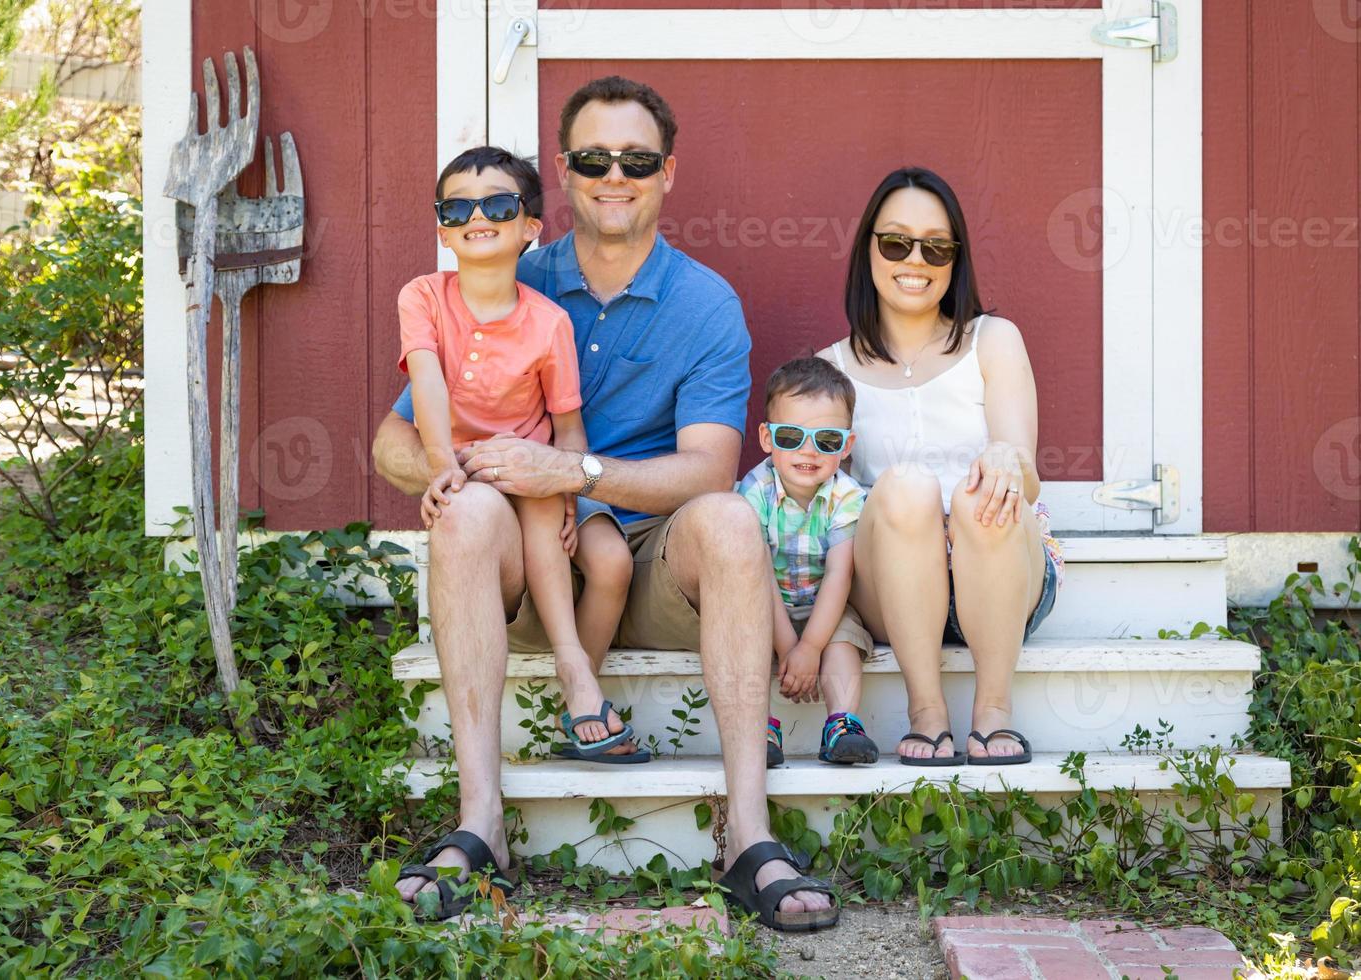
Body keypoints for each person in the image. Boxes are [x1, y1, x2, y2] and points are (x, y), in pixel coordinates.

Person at [373, 76, 839, 929]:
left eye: (636, 158)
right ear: (562, 173)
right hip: (528, 565)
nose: (613, 174)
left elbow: (708, 467)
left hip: (655, 562)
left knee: (733, 518)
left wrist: (572, 474)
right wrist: (453, 473)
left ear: (669, 173)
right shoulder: (505, 266)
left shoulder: (704, 304)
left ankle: (748, 833)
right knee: (469, 511)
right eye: (593, 158)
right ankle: (481, 825)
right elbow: (393, 442)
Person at [397, 145, 640, 766]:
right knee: (483, 497)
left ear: (530, 227)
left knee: (537, 499)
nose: (477, 215)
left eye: (498, 204)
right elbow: (425, 380)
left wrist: (566, 490)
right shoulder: (422, 296)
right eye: (457, 206)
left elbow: (566, 426)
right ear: (442, 227)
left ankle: (574, 669)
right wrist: (439, 462)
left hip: (529, 467)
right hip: (466, 468)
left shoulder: (548, 321)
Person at [819, 166, 1064, 767]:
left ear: (955, 259)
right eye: (897, 241)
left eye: (937, 246)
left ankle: (993, 712)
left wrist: (1008, 455)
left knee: (985, 485)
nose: (916, 260)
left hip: (1002, 571)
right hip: (894, 589)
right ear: (869, 250)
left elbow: (1023, 478)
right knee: (904, 486)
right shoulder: (831, 369)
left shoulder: (993, 339)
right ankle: (927, 712)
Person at [736, 357, 878, 768]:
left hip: (826, 606)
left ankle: (842, 725)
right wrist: (787, 647)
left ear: (847, 445)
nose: (809, 451)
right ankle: (757, 726)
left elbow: (840, 573)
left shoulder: (847, 497)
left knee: (844, 641)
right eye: (792, 436)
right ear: (766, 437)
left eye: (827, 440)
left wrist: (812, 645)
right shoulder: (755, 490)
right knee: (747, 635)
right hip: (766, 600)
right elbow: (757, 572)